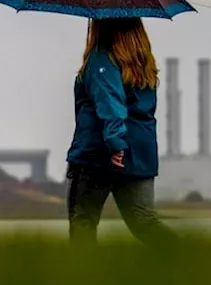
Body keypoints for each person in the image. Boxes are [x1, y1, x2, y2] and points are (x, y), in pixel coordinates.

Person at [65, 17, 178, 247]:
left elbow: (111, 102)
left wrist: (115, 141)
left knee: (83, 222)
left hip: (98, 154)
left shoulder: (101, 58)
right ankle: (188, 259)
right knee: (144, 221)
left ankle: (83, 280)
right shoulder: (143, 63)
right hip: (140, 154)